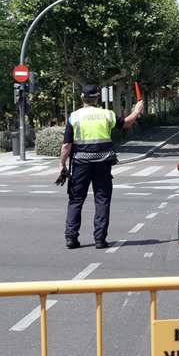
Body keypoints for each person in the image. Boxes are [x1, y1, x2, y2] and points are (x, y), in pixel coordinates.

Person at [61, 84, 144, 249]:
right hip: (103, 164)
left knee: (76, 200)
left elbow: (66, 145)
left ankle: (71, 238)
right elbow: (126, 123)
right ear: (97, 98)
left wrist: (62, 164)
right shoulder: (106, 114)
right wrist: (136, 111)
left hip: (81, 165)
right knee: (102, 200)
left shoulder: (74, 117)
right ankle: (100, 239)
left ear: (81, 98)